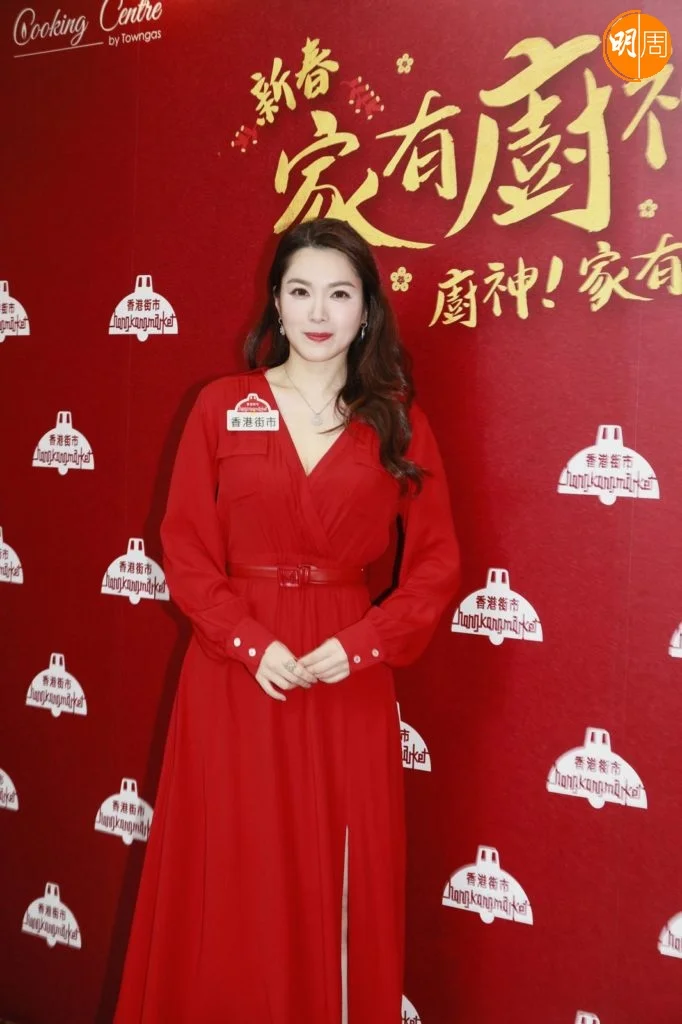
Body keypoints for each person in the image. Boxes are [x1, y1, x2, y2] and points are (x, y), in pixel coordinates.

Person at [113, 217, 461, 1023]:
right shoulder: (220, 406)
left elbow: (437, 564)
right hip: (234, 674)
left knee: (337, 877)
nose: (318, 312)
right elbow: (185, 549)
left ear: (367, 309)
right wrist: (246, 641)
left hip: (346, 677)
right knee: (227, 876)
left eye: (340, 294)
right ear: (275, 300)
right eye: (301, 291)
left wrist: (364, 644)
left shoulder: (397, 418)